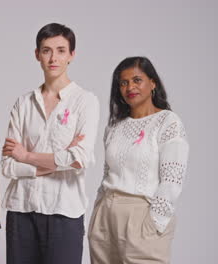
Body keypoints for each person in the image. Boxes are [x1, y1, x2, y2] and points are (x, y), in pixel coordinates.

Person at [1, 23, 100, 264]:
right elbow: (7, 166)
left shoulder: (85, 102)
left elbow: (80, 158)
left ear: (72, 55)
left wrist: (26, 157)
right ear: (37, 55)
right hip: (21, 209)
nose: (53, 58)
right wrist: (60, 159)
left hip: (64, 212)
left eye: (61, 50)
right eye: (46, 50)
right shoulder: (23, 104)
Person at [88, 57, 189, 264]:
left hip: (142, 213)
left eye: (136, 80)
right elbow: (108, 173)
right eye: (123, 83)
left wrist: (155, 222)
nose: (130, 87)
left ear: (153, 83)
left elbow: (172, 180)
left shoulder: (168, 122)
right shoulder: (114, 127)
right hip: (106, 214)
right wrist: (98, 212)